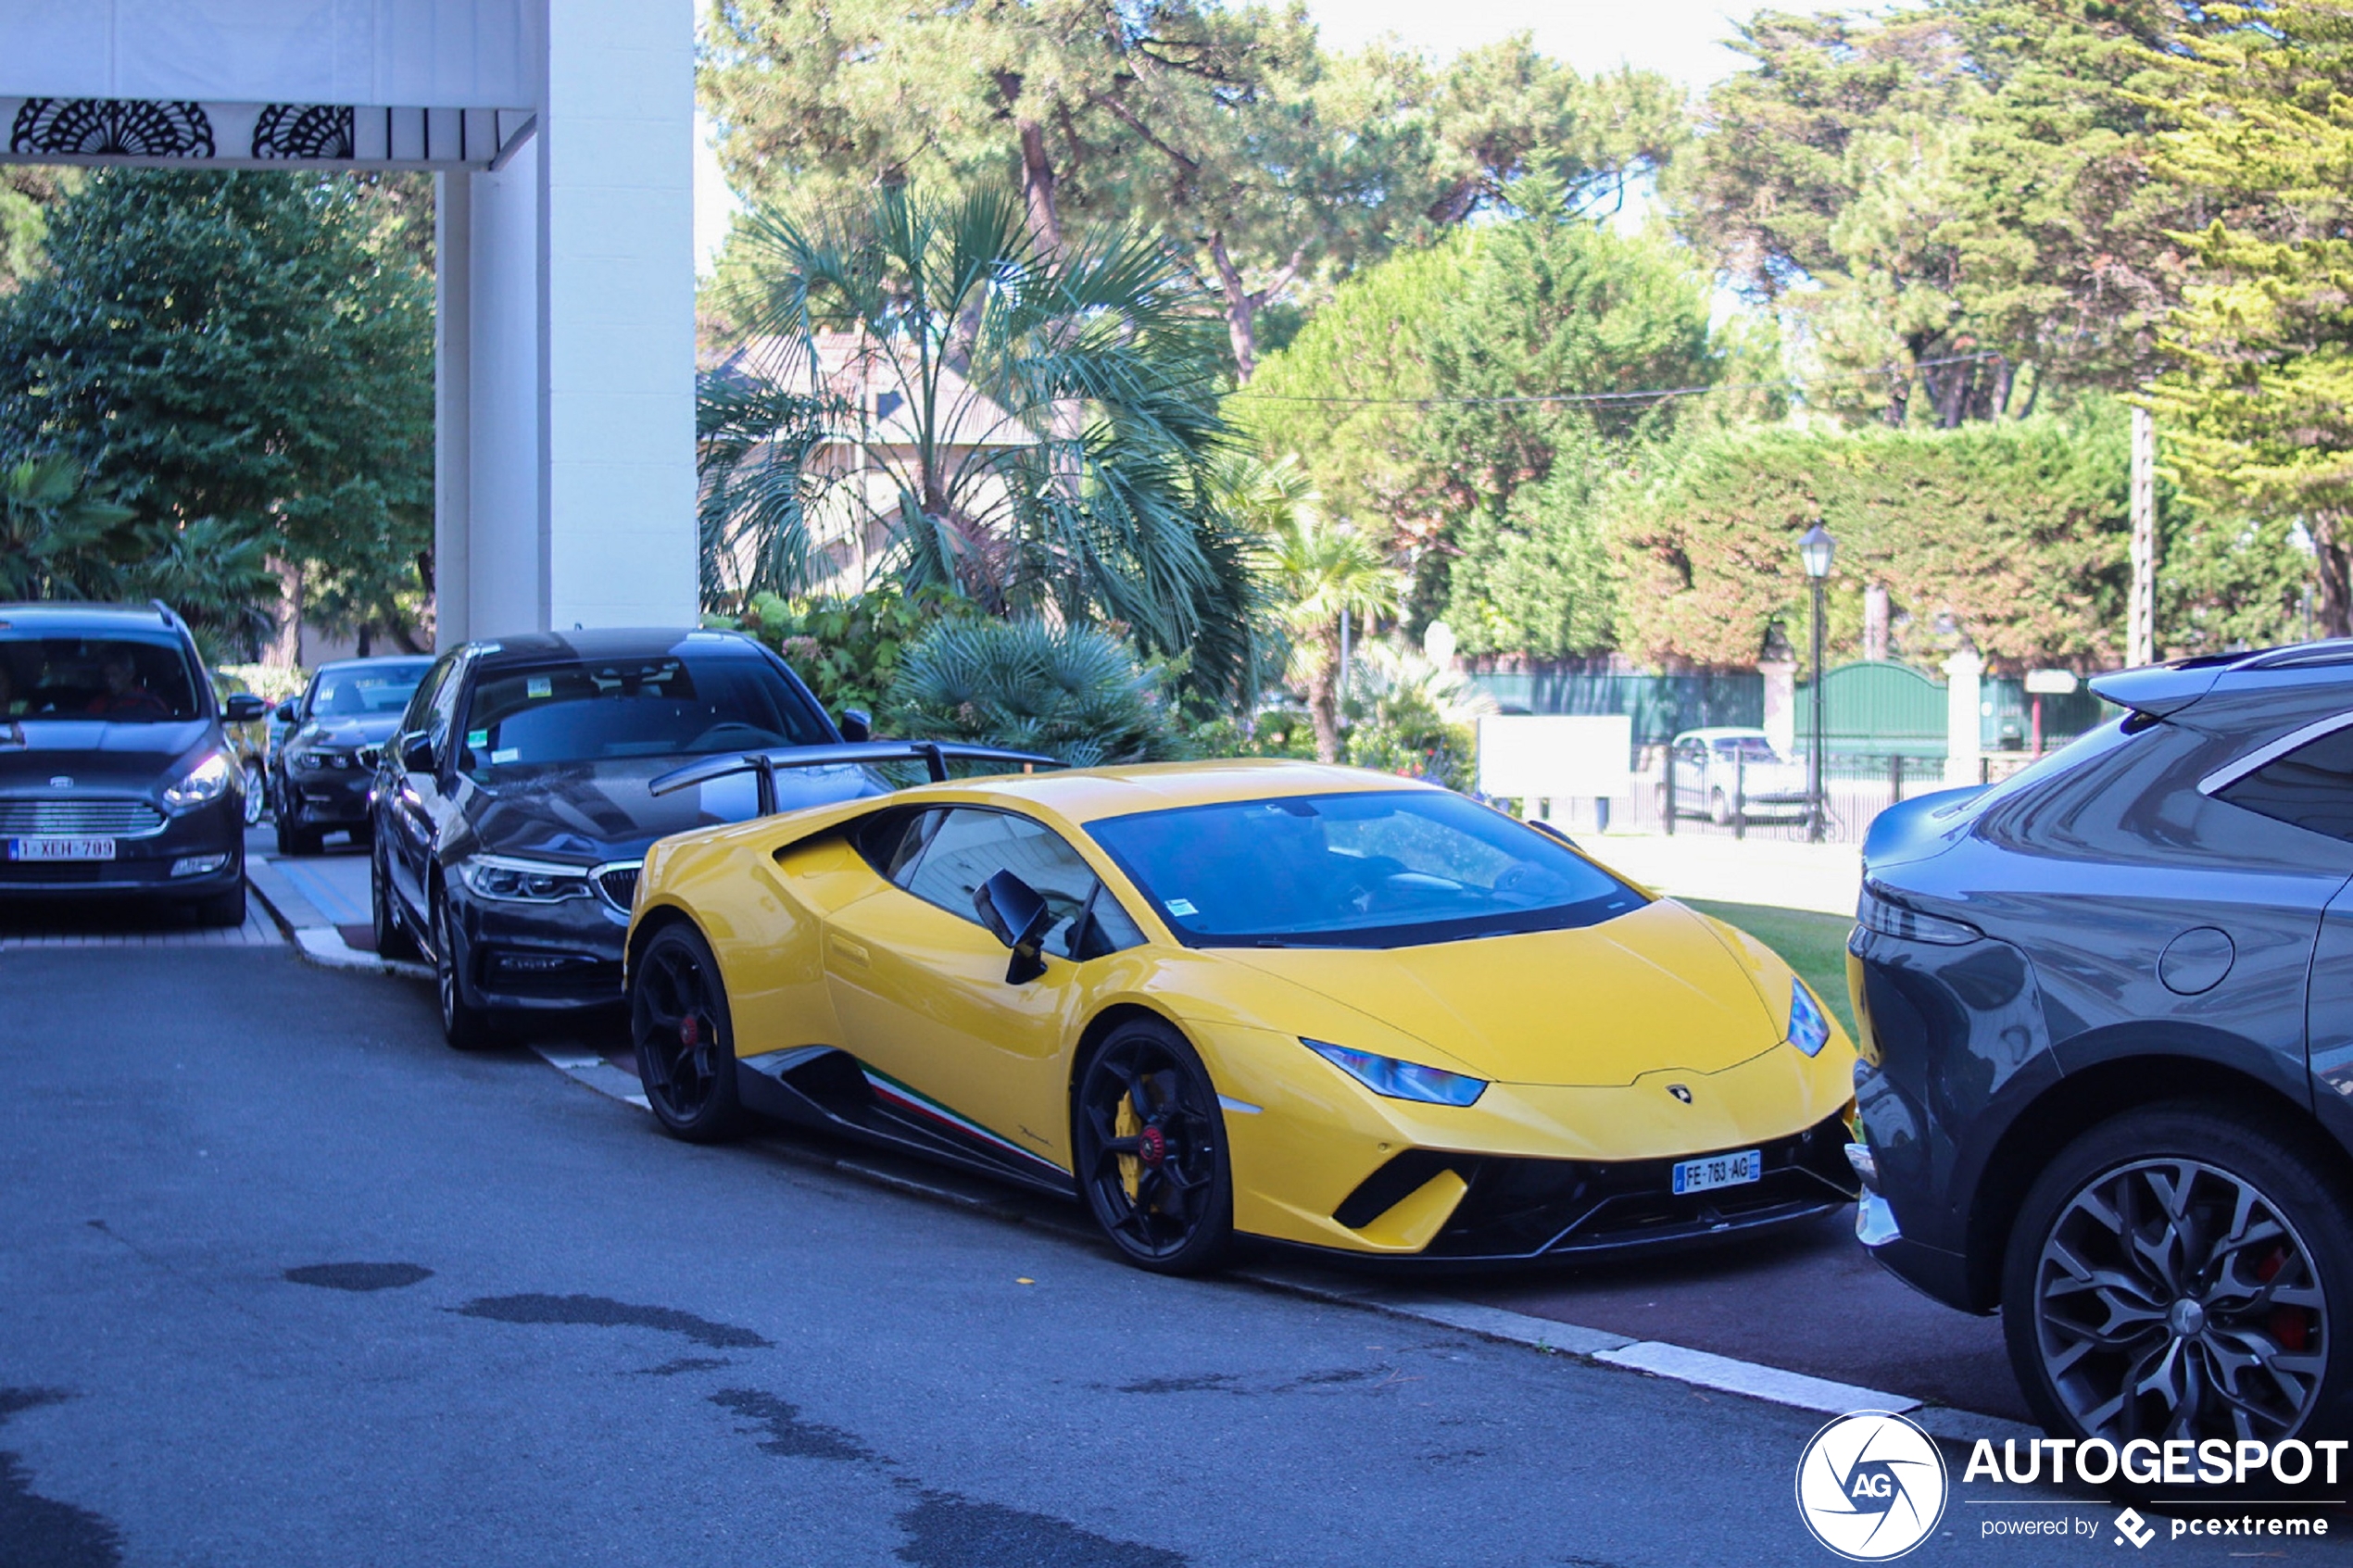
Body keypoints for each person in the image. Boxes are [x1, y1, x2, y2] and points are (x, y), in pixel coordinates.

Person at [83, 646, 170, 719]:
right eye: (106, 676)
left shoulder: (151, 703)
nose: (109, 681)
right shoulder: (98, 705)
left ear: (130, 674)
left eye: (115, 675)